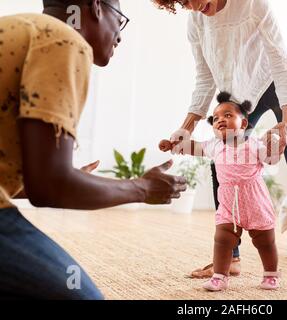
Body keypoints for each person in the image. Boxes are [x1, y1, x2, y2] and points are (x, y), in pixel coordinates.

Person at [0, 0, 187, 299]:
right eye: (120, 19)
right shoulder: (62, 40)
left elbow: (36, 180)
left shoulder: (20, 28)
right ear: (97, 7)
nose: (120, 35)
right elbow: (48, 187)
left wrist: (60, 176)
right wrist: (143, 188)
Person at [155, 0, 287, 298]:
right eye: (181, 2)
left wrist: (286, 120)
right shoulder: (196, 22)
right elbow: (205, 78)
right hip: (242, 99)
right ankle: (231, 257)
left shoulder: (253, 4)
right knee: (221, 160)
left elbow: (280, 60)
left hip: (279, 80)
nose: (190, 6)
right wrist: (185, 128)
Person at [160, 92, 283, 291]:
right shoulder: (214, 146)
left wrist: (274, 143)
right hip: (228, 203)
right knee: (223, 238)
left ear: (243, 124)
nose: (220, 120)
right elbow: (192, 147)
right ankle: (220, 276)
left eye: (227, 115)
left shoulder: (254, 144)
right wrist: (173, 144)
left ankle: (271, 274)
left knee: (265, 240)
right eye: (216, 118)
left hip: (255, 201)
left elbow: (272, 159)